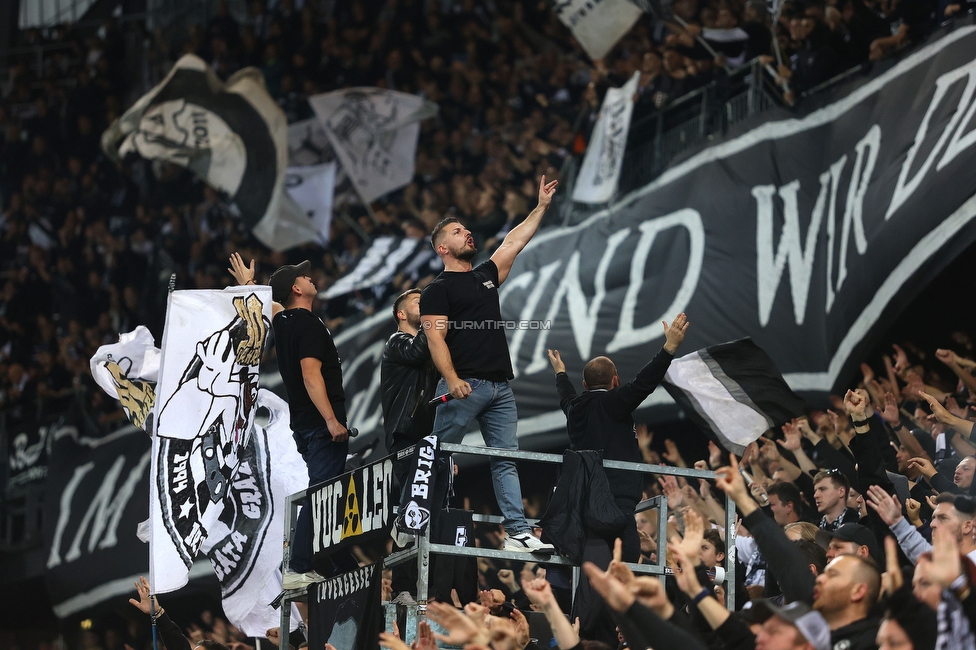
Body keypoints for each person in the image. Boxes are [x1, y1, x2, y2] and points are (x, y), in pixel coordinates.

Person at [419, 175, 559, 553]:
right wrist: (450, 379)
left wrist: (541, 207)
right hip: (463, 385)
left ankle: (516, 532)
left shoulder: (484, 277)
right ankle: (413, 521)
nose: (466, 233)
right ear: (441, 248)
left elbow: (514, 241)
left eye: (466, 229)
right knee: (436, 458)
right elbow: (435, 337)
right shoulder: (436, 290)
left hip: (500, 386)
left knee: (505, 459)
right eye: (457, 231)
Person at [230, 253, 353, 588]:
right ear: (297, 289)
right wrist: (331, 420)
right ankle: (297, 567)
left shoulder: (286, 322)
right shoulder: (307, 324)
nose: (310, 278)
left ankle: (346, 567)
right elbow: (311, 376)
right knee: (322, 495)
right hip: (319, 425)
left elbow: (272, 309)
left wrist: (248, 285)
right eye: (303, 277)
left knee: (330, 498)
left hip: (303, 426)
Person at [545, 312, 689, 561]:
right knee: (627, 567)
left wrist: (560, 373)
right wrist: (669, 348)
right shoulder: (615, 402)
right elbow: (644, 382)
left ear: (585, 384)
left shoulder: (575, 409)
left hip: (584, 506)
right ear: (616, 380)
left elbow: (565, 395)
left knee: (592, 573)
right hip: (616, 505)